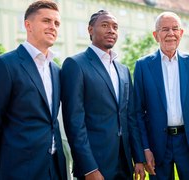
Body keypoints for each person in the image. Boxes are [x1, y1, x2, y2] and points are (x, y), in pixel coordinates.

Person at [0, 0, 66, 179]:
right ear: (28, 25)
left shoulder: (57, 70)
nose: (53, 27)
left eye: (57, 23)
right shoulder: (3, 65)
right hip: (18, 169)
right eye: (46, 21)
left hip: (55, 170)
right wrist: (4, 159)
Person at [61, 10, 145, 180]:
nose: (111, 30)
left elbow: (130, 118)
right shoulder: (75, 65)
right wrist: (89, 168)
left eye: (115, 27)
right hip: (96, 165)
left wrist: (138, 159)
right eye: (105, 25)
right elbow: (74, 123)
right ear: (90, 30)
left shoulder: (123, 70)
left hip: (125, 163)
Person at [133, 11, 189, 179]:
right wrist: (145, 149)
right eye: (164, 29)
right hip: (157, 146)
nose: (171, 34)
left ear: (181, 33)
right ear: (156, 35)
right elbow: (138, 113)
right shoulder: (142, 66)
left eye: (175, 29)